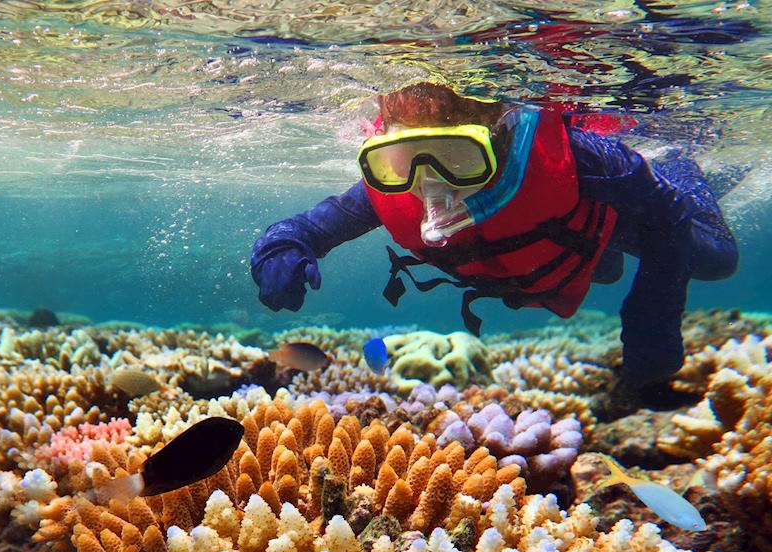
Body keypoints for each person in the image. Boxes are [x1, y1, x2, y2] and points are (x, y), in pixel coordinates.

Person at [250, 82, 739, 392]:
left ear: (501, 137)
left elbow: (667, 218)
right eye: (403, 161)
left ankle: (681, 164)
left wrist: (652, 320)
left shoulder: (584, 159)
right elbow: (304, 229)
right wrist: (279, 249)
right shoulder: (389, 193)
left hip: (592, 216)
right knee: (606, 271)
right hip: (561, 249)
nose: (430, 183)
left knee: (717, 260)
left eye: (458, 158)